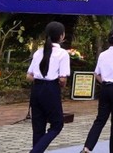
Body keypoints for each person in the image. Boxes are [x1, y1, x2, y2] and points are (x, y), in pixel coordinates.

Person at [81, 27, 113, 153]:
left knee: (100, 119)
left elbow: (97, 74)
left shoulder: (103, 55)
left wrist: (105, 82)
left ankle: (87, 147)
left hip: (105, 88)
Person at [26, 21, 70, 153]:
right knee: (57, 124)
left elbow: (29, 76)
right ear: (61, 36)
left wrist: (41, 80)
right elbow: (62, 79)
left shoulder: (38, 52)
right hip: (51, 88)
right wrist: (59, 84)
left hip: (37, 88)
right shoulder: (62, 53)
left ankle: (36, 149)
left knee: (38, 127)